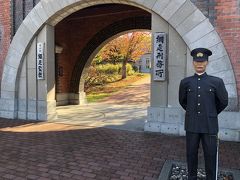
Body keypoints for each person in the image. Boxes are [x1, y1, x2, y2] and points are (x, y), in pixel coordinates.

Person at [178, 48, 228, 180]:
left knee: (211, 154)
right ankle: (192, 177)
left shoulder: (216, 82)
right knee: (191, 154)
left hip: (209, 125)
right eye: (196, 61)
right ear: (193, 62)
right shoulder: (185, 82)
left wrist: (211, 113)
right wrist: (193, 112)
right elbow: (182, 101)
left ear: (207, 62)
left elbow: (223, 102)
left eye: (203, 61)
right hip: (192, 125)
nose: (200, 64)